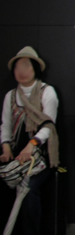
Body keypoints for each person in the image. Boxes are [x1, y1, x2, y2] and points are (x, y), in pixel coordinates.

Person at [0, 47, 59, 235]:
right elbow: (6, 125)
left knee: (29, 189)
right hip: (16, 157)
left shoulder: (47, 92)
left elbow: (49, 126)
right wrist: (6, 148)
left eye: (26, 66)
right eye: (18, 67)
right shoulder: (10, 96)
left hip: (40, 157)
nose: (22, 71)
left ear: (35, 68)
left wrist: (31, 145)